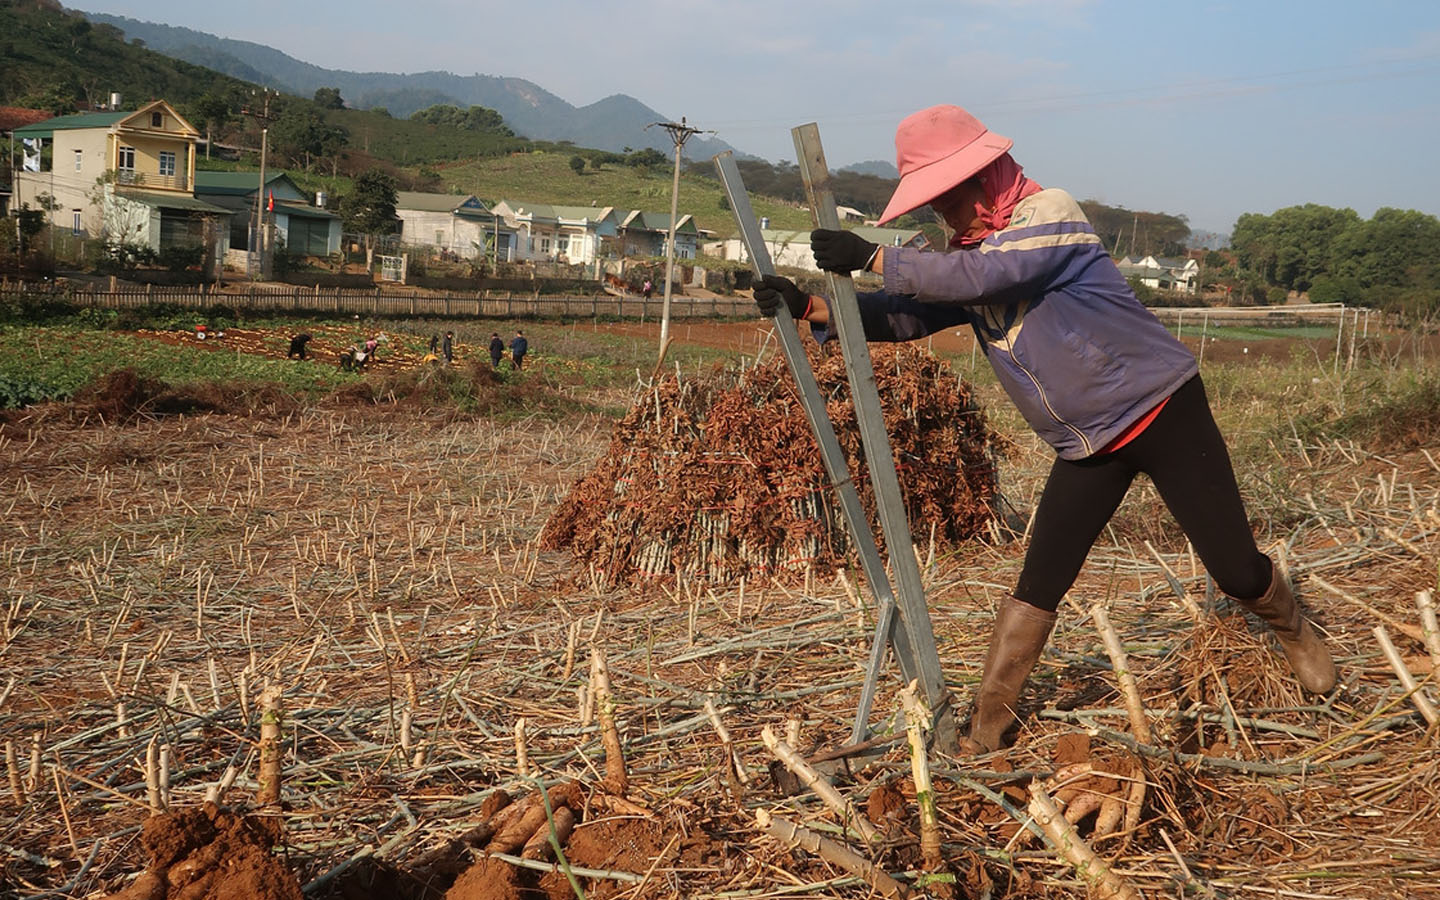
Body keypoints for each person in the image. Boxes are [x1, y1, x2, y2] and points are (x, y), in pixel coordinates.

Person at [753, 104, 1336, 754]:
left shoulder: (1047, 214)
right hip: (1088, 445)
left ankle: (1294, 630)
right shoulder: (964, 254)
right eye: (937, 206)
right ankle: (986, 729)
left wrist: (875, 256)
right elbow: (908, 315)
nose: (946, 218)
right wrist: (812, 306)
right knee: (1038, 584)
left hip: (1163, 410)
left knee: (1233, 569)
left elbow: (989, 275)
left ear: (985, 179)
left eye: (950, 201)